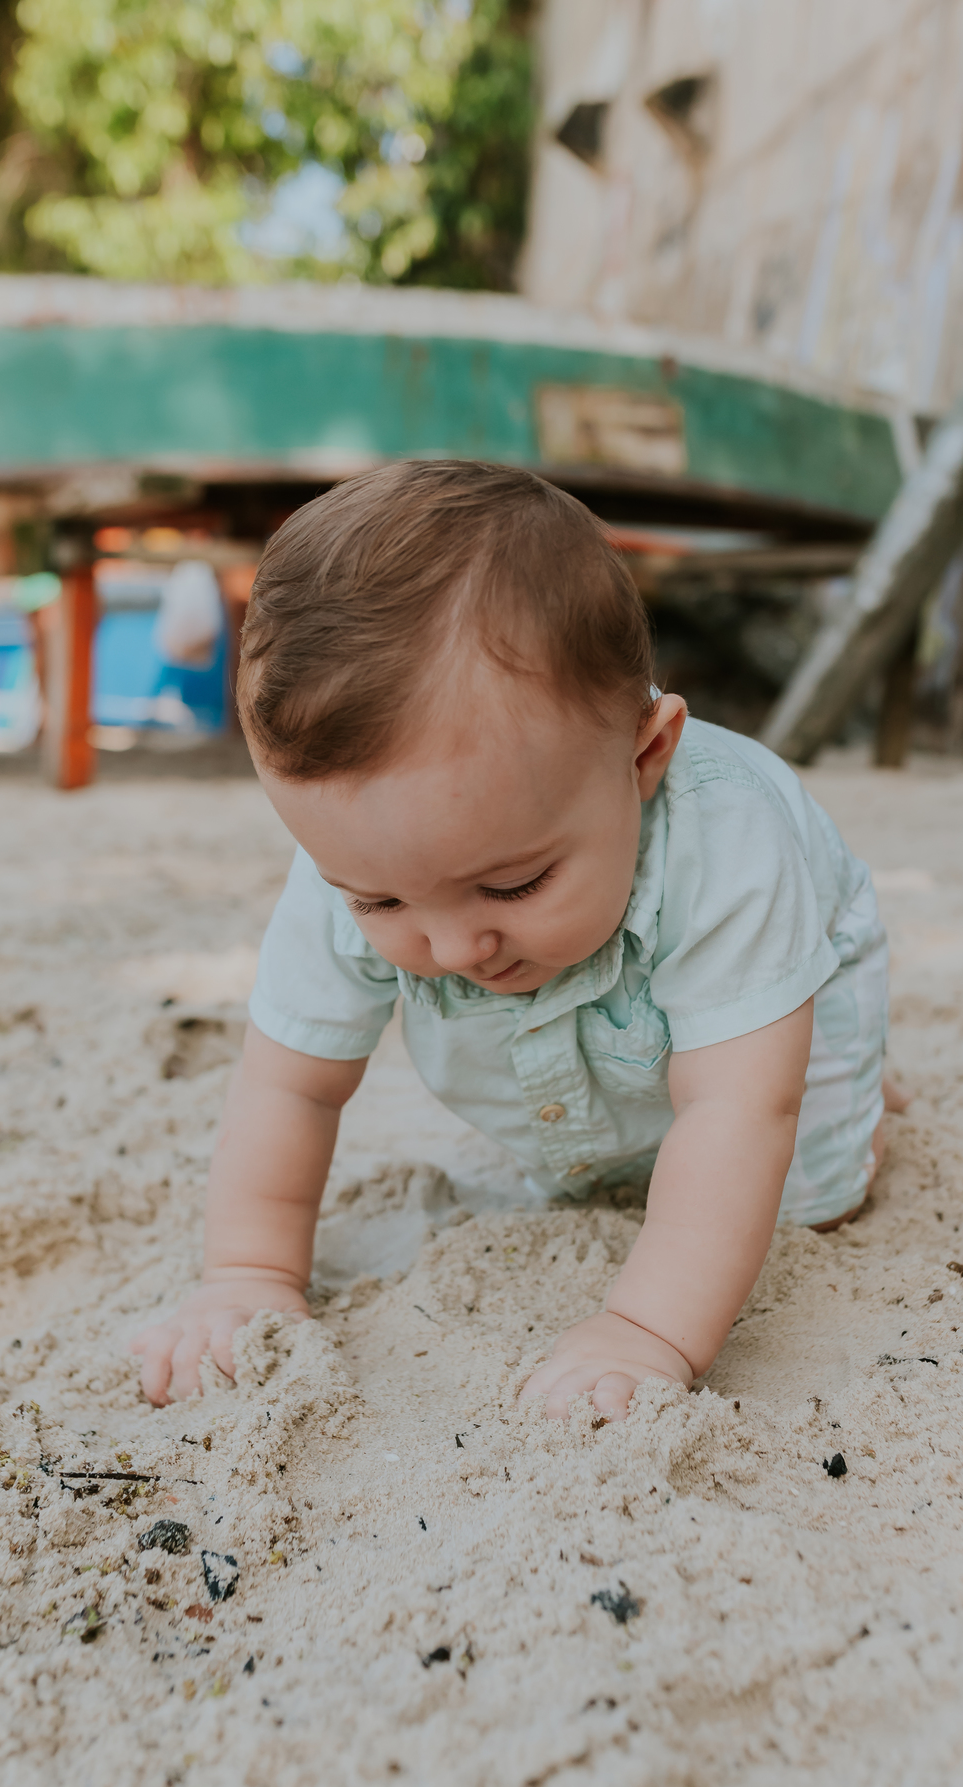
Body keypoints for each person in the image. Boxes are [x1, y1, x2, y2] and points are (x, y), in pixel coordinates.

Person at [132, 462, 904, 1420]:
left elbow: (739, 1114)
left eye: (512, 883)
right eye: (378, 903)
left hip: (796, 966)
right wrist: (247, 1271)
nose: (454, 947)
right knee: (605, 1151)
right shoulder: (368, 862)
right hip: (611, 1021)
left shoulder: (734, 849)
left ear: (644, 755)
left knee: (812, 1185)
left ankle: (853, 1073)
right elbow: (291, 1081)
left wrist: (648, 1330)